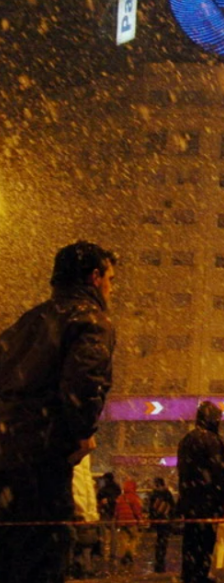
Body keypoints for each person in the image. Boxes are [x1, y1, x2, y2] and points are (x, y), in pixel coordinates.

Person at [0, 241, 117, 583]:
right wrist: (83, 433)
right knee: (44, 559)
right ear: (95, 278)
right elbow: (84, 381)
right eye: (110, 278)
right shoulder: (90, 320)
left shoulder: (30, 319)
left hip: (7, 457)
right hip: (41, 460)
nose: (112, 287)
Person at [178, 401, 224, 583]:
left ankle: (189, 574)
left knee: (191, 539)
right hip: (207, 500)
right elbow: (218, 472)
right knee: (205, 540)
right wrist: (223, 491)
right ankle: (200, 574)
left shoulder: (187, 439)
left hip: (190, 499)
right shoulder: (212, 440)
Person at [114, 478, 145, 569]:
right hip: (132, 521)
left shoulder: (120, 498)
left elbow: (116, 511)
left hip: (122, 522)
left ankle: (123, 555)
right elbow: (137, 511)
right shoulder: (134, 498)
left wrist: (116, 521)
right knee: (134, 538)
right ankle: (129, 553)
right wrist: (140, 520)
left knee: (123, 539)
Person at [148, 476, 177, 573]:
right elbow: (172, 506)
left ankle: (158, 556)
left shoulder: (154, 494)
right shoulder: (167, 493)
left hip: (158, 520)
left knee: (159, 538)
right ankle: (161, 555)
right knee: (164, 539)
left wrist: (152, 519)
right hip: (166, 520)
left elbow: (151, 509)